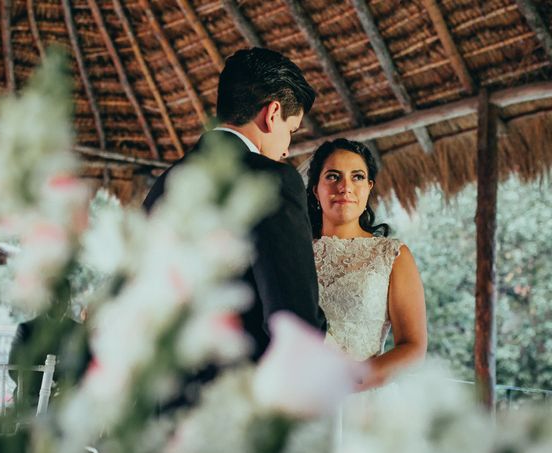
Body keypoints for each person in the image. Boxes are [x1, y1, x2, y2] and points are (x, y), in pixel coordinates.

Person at [143, 47, 326, 364]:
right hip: (238, 395)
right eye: (290, 131)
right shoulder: (272, 180)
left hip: (164, 398)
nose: (286, 149)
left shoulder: (164, 185)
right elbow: (295, 321)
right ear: (271, 114)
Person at [306, 138, 427, 391]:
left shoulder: (393, 255)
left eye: (357, 177)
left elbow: (413, 347)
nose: (345, 187)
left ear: (369, 187)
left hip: (359, 403)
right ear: (316, 189)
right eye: (333, 176)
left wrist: (348, 383)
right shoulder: (295, 251)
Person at [8, 280, 91, 408]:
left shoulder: (77, 331)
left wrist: (65, 388)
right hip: (31, 396)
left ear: (68, 301)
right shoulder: (26, 329)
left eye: (63, 299)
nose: (58, 303)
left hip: (68, 398)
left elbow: (86, 367)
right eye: (53, 298)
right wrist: (44, 387)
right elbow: (14, 368)